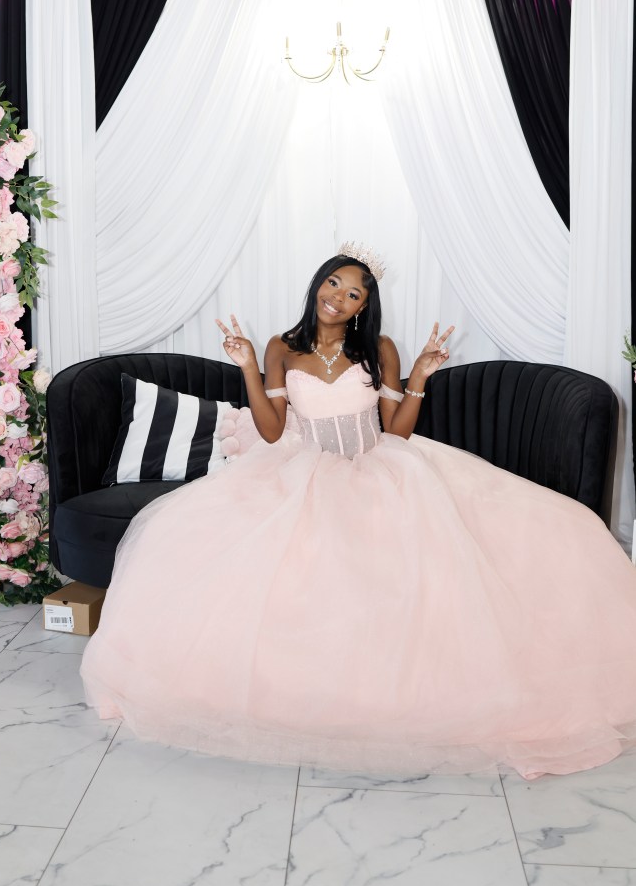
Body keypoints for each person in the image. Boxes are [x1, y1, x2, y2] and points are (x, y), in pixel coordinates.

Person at [81, 244, 636, 780]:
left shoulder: (380, 349)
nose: (339, 298)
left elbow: (397, 432)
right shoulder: (280, 348)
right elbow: (271, 433)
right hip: (301, 470)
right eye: (333, 283)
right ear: (317, 284)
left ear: (363, 308)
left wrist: (420, 376)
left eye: (353, 294)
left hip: (379, 466)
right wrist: (248, 366)